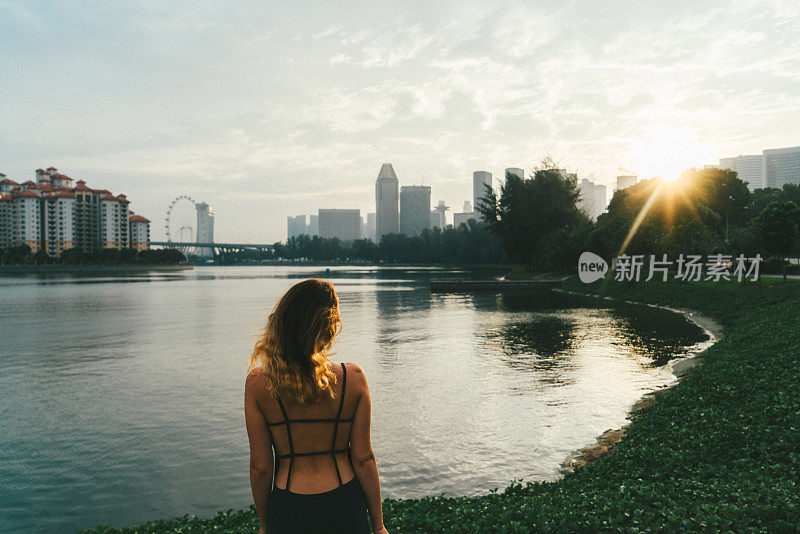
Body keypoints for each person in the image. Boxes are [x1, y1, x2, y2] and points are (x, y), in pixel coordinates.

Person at [244, 279, 388, 534]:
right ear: (329, 326)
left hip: (288, 505)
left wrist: (265, 525)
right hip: (343, 502)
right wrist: (378, 526)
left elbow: (261, 467)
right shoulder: (353, 378)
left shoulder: (258, 384)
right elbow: (364, 458)